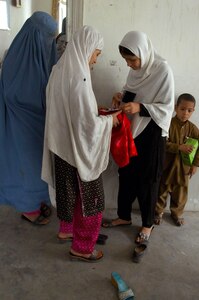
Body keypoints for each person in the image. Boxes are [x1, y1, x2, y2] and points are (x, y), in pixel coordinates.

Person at [42, 25, 121, 262]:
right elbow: (86, 125)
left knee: (67, 191)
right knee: (90, 199)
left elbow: (71, 112)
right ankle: (83, 247)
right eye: (96, 53)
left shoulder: (60, 69)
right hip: (77, 149)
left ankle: (66, 230)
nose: (96, 59)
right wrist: (111, 121)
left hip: (61, 145)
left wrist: (95, 113)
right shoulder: (79, 77)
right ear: (86, 49)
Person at [102, 31, 175, 244]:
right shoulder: (136, 73)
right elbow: (131, 93)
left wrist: (140, 107)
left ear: (143, 53)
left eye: (132, 59)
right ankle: (124, 217)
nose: (130, 65)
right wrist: (121, 97)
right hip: (132, 131)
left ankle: (147, 224)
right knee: (126, 174)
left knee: (148, 181)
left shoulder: (162, 70)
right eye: (126, 60)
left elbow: (167, 108)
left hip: (152, 134)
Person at [0, 12, 57, 225]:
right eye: (47, 38)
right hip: (20, 124)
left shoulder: (40, 53)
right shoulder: (17, 57)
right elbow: (14, 93)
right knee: (27, 165)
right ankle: (28, 208)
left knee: (39, 166)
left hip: (39, 121)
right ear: (34, 36)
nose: (49, 44)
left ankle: (38, 200)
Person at [154, 93, 199, 226]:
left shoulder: (193, 129)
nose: (185, 113)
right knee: (162, 189)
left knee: (180, 192)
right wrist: (179, 147)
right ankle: (158, 212)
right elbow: (162, 143)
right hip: (167, 165)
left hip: (184, 168)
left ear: (193, 111)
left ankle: (177, 214)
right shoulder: (167, 124)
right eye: (182, 109)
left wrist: (195, 164)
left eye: (189, 110)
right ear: (175, 108)